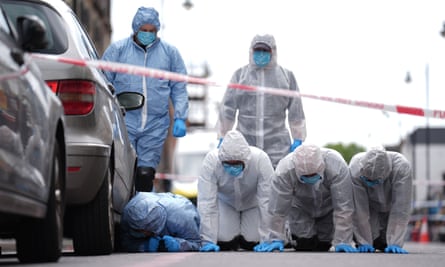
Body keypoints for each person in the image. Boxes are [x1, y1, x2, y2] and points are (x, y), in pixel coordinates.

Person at [102, 7, 189, 192]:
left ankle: (140, 215)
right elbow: (103, 82)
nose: (147, 34)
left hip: (155, 124)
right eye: (144, 30)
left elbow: (179, 87)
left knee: (145, 174)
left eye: (152, 31)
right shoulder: (117, 51)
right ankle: (123, 212)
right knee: (123, 172)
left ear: (157, 30)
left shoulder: (169, 54)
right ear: (135, 28)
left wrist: (180, 116)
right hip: (124, 122)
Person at [216, 34, 306, 168]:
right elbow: (228, 108)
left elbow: (296, 110)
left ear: (273, 52)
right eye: (258, 51)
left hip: (277, 147)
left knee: (276, 183)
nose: (261, 54)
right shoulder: (240, 75)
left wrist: (298, 137)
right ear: (251, 51)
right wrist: (223, 134)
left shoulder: (286, 76)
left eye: (265, 51)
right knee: (247, 182)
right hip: (245, 143)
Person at [254, 144, 358, 253]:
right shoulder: (284, 171)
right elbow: (278, 208)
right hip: (300, 208)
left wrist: (343, 240)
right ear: (297, 170)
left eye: (313, 174)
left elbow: (343, 206)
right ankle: (291, 236)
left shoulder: (337, 165)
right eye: (305, 176)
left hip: (328, 208)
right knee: (305, 245)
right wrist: (275, 237)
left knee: (323, 245)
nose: (310, 178)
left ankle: (330, 238)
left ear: (322, 166)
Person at [198, 130, 274, 252]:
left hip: (252, 204)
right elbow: (206, 202)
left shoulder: (260, 159)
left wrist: (269, 238)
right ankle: (231, 236)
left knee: (253, 239)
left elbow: (267, 200)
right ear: (221, 160)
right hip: (226, 203)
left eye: (237, 164)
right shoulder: (211, 161)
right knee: (223, 238)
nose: (232, 168)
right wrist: (207, 239)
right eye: (228, 164)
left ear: (246, 160)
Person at [349, 147, 413, 254]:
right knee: (373, 240)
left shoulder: (402, 168)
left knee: (386, 243)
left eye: (376, 180)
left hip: (390, 206)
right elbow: (359, 208)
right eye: (367, 179)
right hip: (370, 207)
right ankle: (368, 241)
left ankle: (390, 242)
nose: (371, 183)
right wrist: (363, 241)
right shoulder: (355, 167)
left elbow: (401, 208)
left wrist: (395, 242)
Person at [120, 192, 201, 252]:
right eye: (139, 230)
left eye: (147, 230)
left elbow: (197, 243)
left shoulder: (183, 218)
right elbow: (124, 241)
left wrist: (178, 245)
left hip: (180, 210)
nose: (144, 234)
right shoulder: (129, 214)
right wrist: (143, 246)